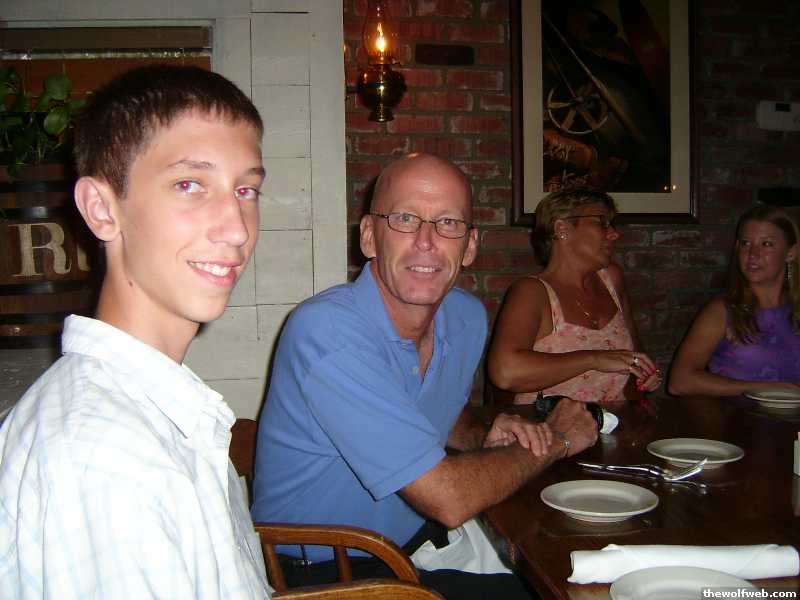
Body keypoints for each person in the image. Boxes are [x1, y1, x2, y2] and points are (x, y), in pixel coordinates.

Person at [251, 153, 598, 600]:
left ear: (469, 246)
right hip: (325, 570)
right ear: (369, 236)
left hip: (413, 547)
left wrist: (481, 435)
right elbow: (448, 500)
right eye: (405, 219)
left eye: (448, 222)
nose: (426, 241)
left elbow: (438, 411)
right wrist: (559, 438)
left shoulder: (465, 317)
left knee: (574, 572)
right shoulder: (327, 331)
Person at [0, 65, 271, 599]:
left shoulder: (156, 408)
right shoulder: (108, 458)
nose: (237, 228)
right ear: (102, 209)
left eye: (246, 189)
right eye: (190, 185)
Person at [487, 187, 660, 405]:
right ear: (562, 229)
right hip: (548, 423)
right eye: (601, 222)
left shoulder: (611, 279)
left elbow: (634, 347)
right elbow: (505, 372)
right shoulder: (532, 292)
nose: (614, 234)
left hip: (615, 420)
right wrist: (594, 359)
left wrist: (645, 372)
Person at [668, 204, 800, 396]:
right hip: (738, 414)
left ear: (791, 252)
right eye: (745, 243)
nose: (752, 254)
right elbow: (680, 382)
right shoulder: (722, 311)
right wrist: (766, 388)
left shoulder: (795, 309)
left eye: (766, 244)